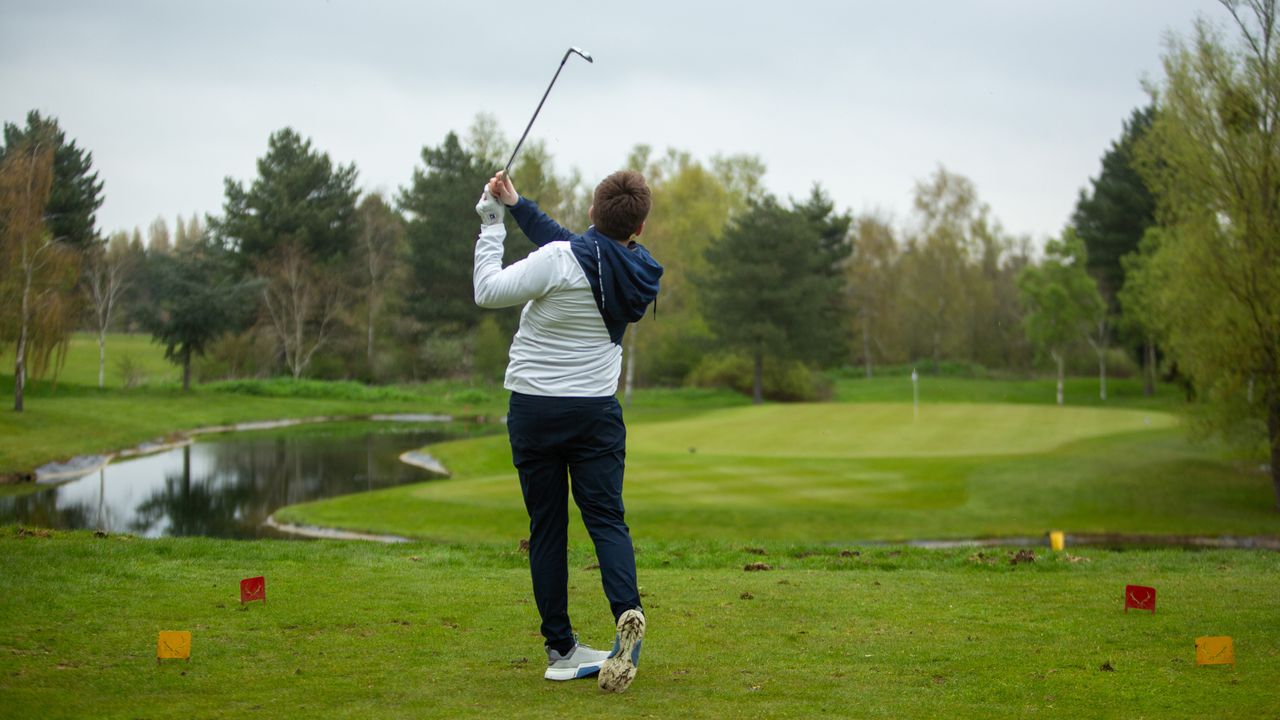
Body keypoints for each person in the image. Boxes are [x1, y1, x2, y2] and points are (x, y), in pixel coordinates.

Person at [473, 169, 662, 693]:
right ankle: (627, 612)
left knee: (548, 528)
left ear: (590, 214)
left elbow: (487, 290)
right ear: (639, 226)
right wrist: (519, 204)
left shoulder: (559, 260)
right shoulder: (640, 269)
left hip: (535, 413)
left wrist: (493, 222)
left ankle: (560, 649)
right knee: (607, 520)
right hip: (595, 415)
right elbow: (582, 250)